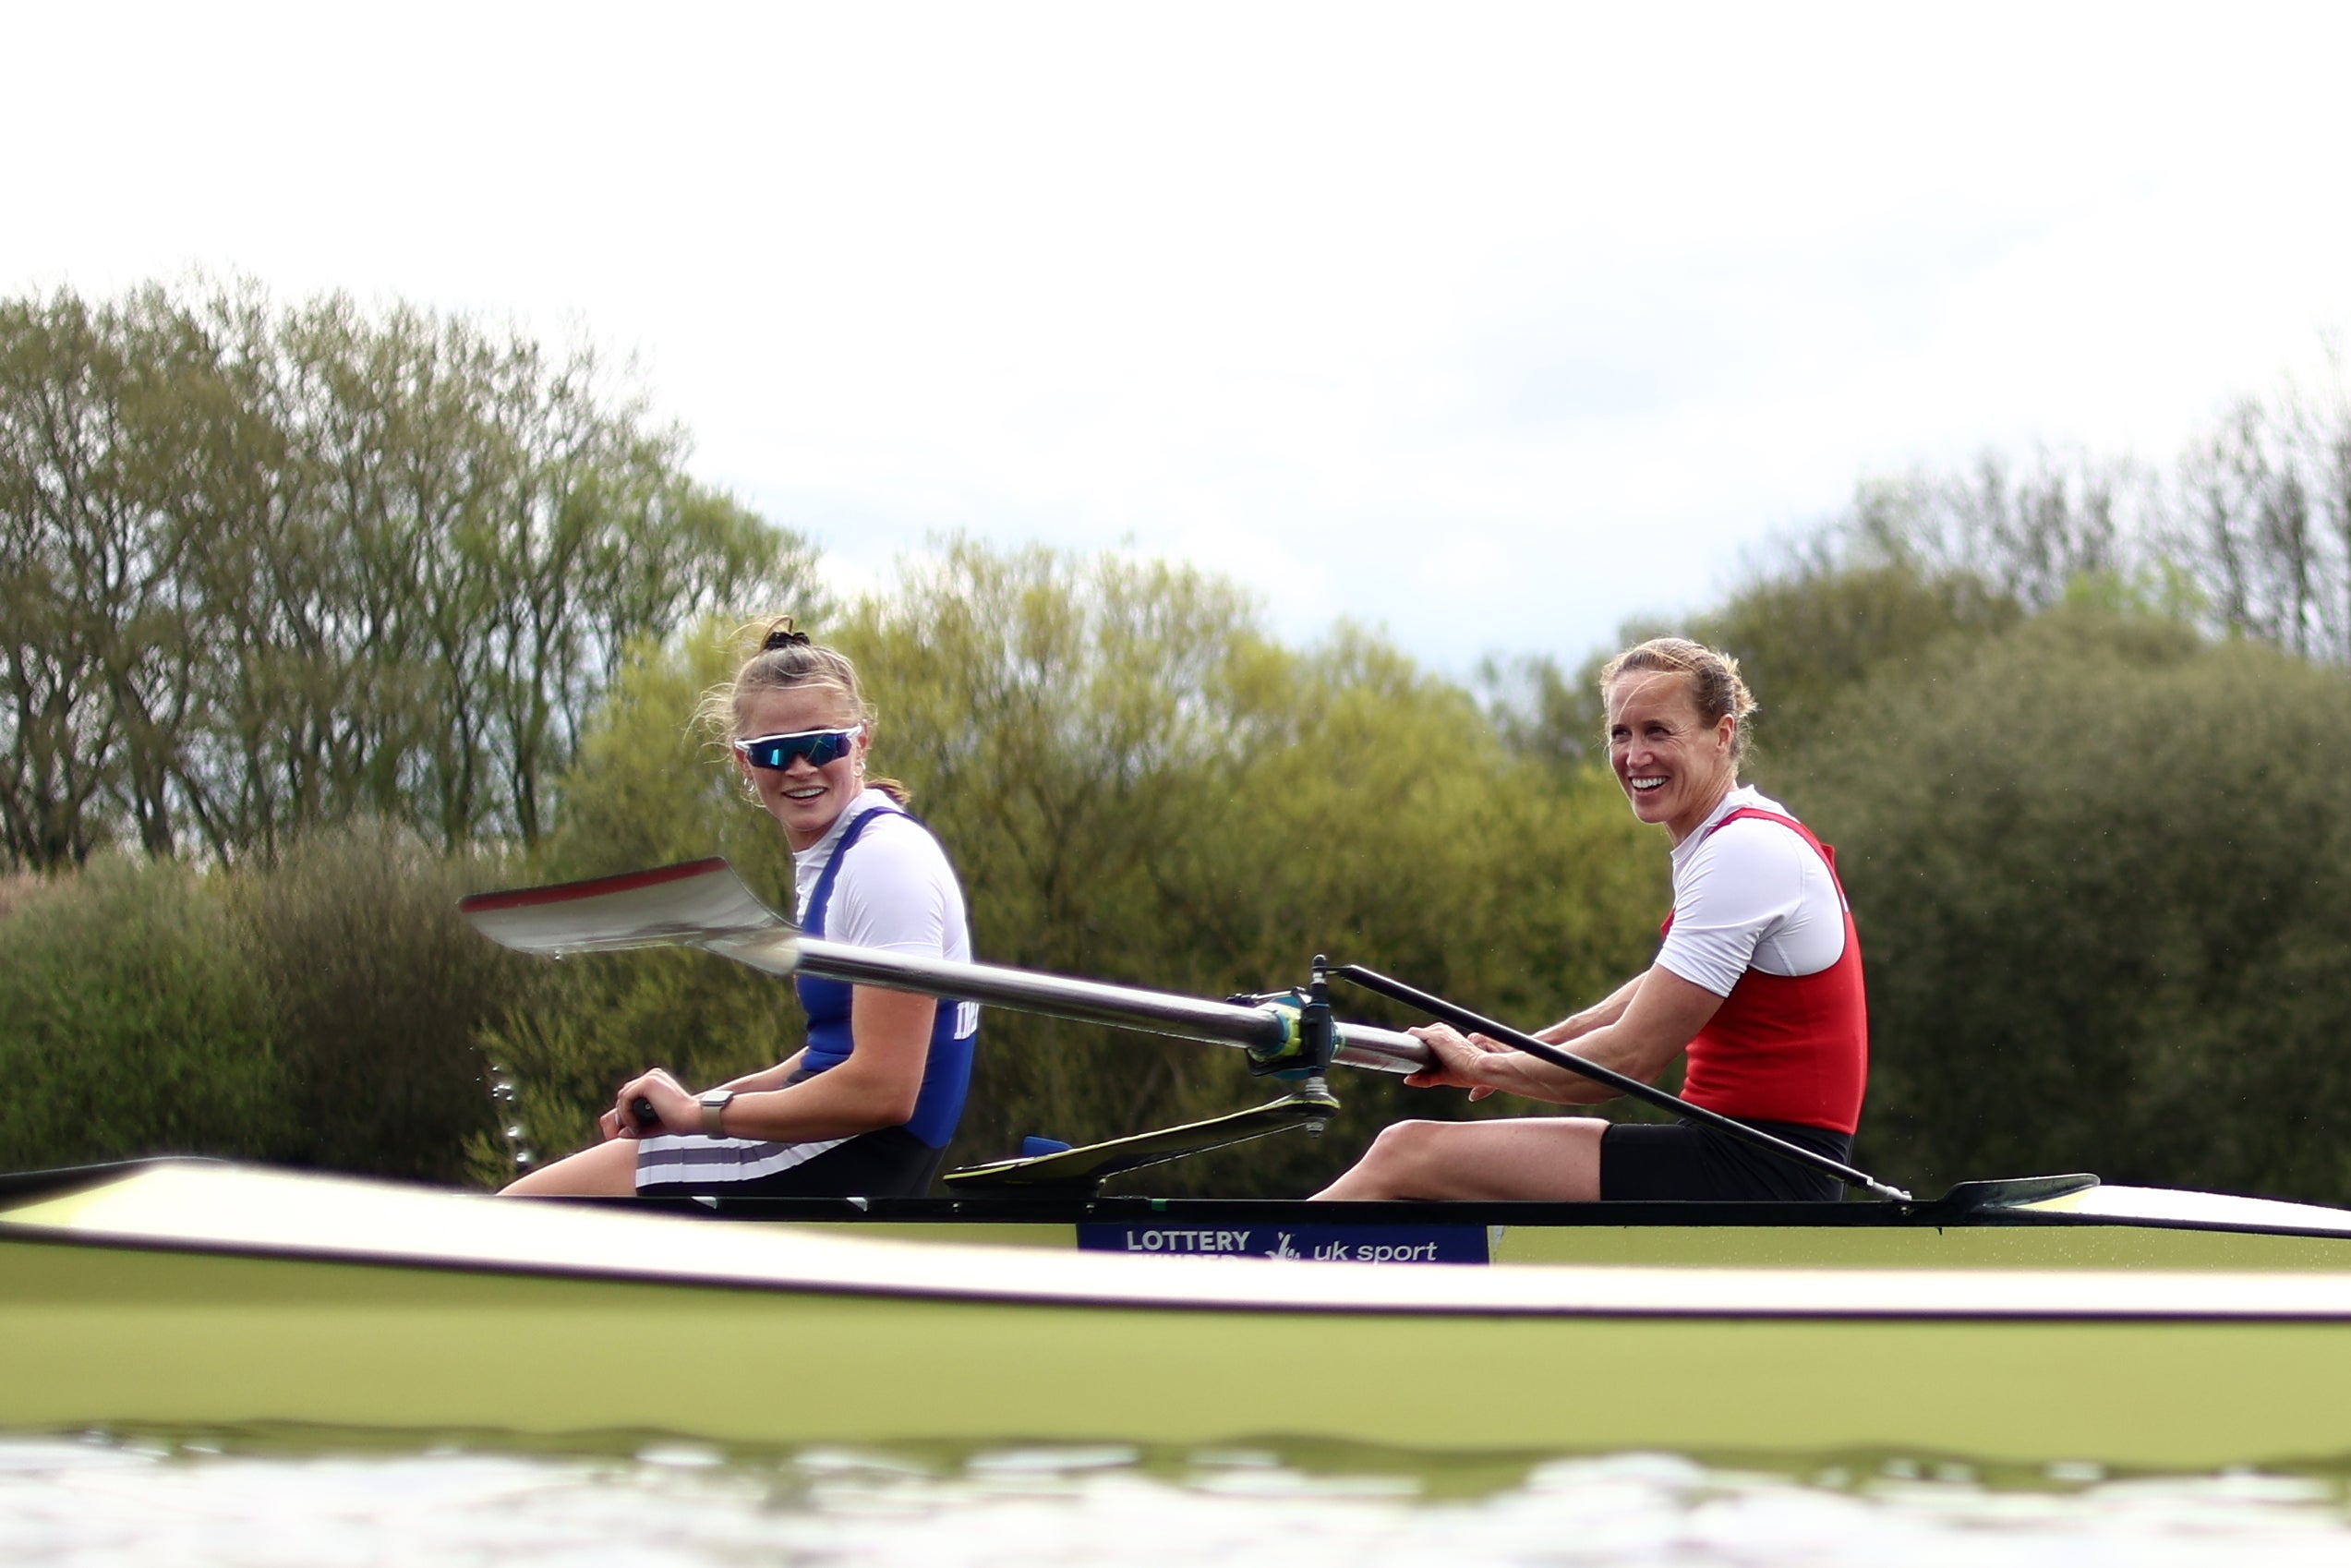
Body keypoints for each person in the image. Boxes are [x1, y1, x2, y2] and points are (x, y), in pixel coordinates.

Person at [1313, 635, 1865, 1202]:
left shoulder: (1743, 851)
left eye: (1658, 731)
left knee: (1405, 1153)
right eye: (1620, 734)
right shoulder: (1750, 832)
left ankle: (1248, 1278)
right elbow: (1653, 988)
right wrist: (1517, 1048)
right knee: (1409, 1153)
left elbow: (1630, 1058)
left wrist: (1482, 1065)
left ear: (1721, 735)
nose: (1634, 756)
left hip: (1759, 1173)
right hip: (1749, 1163)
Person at [502, 620, 978, 1200]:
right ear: (742, 762)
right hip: (832, 1143)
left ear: (862, 740)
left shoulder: (886, 862)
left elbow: (883, 1090)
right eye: (775, 752)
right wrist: (696, 1103)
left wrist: (702, 1116)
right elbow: (832, 1048)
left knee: (517, 1215)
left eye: (823, 743)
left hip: (852, 1153)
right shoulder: (841, 854)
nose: (800, 768)